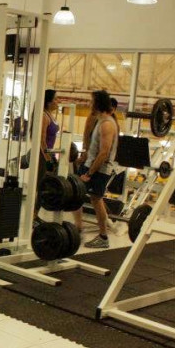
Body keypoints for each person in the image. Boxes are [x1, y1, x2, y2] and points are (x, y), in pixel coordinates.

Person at [78, 90, 119, 248]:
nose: (89, 104)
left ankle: (102, 236)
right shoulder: (101, 121)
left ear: (97, 103)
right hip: (92, 166)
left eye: (91, 101)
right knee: (85, 197)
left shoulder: (107, 124)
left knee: (93, 199)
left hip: (98, 170)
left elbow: (103, 153)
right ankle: (80, 228)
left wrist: (89, 173)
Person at [34, 89, 59, 223]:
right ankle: (33, 215)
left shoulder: (50, 115)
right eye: (55, 99)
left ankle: (35, 214)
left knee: (44, 187)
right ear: (49, 102)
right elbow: (41, 140)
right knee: (40, 186)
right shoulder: (44, 116)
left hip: (48, 154)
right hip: (42, 155)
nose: (57, 102)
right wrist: (48, 158)